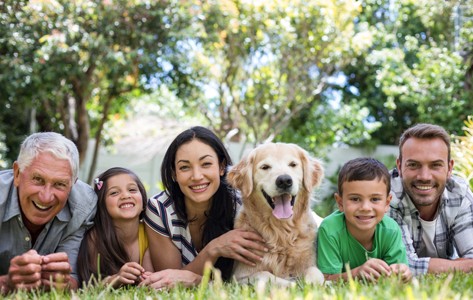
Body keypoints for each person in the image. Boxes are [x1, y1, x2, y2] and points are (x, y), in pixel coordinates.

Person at [141, 126, 267, 289]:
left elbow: (254, 274)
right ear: (174, 174)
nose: (197, 176)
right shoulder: (159, 209)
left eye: (206, 164)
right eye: (185, 167)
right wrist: (214, 248)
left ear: (221, 167)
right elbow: (170, 279)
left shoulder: (242, 205)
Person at [0, 132, 97, 294]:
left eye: (60, 184)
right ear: (17, 173)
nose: (46, 197)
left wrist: (62, 283)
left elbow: (73, 278)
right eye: (38, 179)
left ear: (73, 183)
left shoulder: (84, 205)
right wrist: (6, 283)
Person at [389, 123, 473, 275]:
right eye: (413, 165)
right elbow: (404, 265)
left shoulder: (459, 194)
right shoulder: (385, 196)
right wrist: (463, 265)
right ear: (399, 166)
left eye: (435, 165)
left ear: (449, 168)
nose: (424, 177)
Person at [317, 157, 411, 282]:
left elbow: (398, 271)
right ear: (340, 203)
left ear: (387, 203)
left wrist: (402, 272)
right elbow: (325, 280)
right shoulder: (329, 229)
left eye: (375, 199)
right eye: (355, 199)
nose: (365, 208)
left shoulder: (391, 230)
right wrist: (356, 273)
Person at [77, 167, 153, 288]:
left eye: (132, 190)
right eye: (114, 193)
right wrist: (115, 279)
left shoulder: (150, 233)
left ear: (143, 200)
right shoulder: (96, 237)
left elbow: (148, 282)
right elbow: (88, 285)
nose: (125, 195)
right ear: (102, 205)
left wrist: (146, 278)